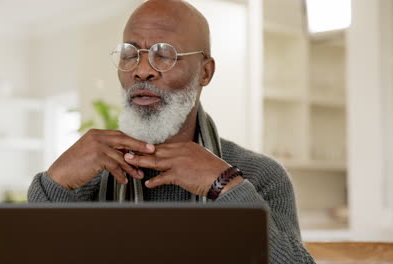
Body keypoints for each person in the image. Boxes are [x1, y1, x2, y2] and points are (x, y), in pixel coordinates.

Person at [28, 0, 315, 263]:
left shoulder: (260, 176)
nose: (142, 70)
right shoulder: (90, 175)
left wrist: (224, 186)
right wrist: (53, 183)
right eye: (130, 55)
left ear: (205, 72)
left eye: (164, 55)